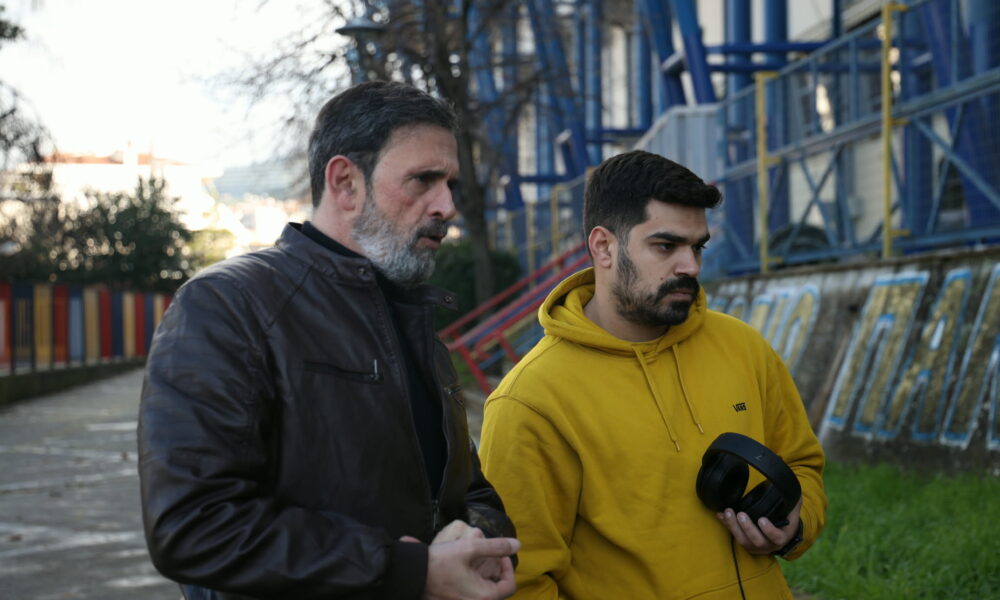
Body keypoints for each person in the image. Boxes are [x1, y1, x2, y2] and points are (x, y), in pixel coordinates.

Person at [138, 81, 519, 600]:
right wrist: (408, 571)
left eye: (451, 183)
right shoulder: (229, 306)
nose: (447, 206)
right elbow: (193, 526)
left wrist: (475, 538)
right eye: (423, 180)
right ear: (345, 183)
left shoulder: (411, 320)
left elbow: (468, 491)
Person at [478, 150, 826, 599]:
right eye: (666, 246)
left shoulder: (743, 347)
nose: (691, 266)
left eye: (697, 247)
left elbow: (802, 465)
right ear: (604, 247)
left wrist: (795, 524)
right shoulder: (530, 401)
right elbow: (521, 581)